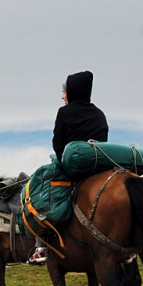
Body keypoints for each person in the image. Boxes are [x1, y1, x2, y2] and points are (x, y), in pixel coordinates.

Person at [28, 70, 108, 264]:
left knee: (39, 187)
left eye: (64, 91)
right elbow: (103, 141)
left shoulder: (64, 112)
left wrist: (63, 161)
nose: (62, 96)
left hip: (72, 168)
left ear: (72, 91)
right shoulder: (99, 113)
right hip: (97, 168)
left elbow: (58, 143)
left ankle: (41, 246)